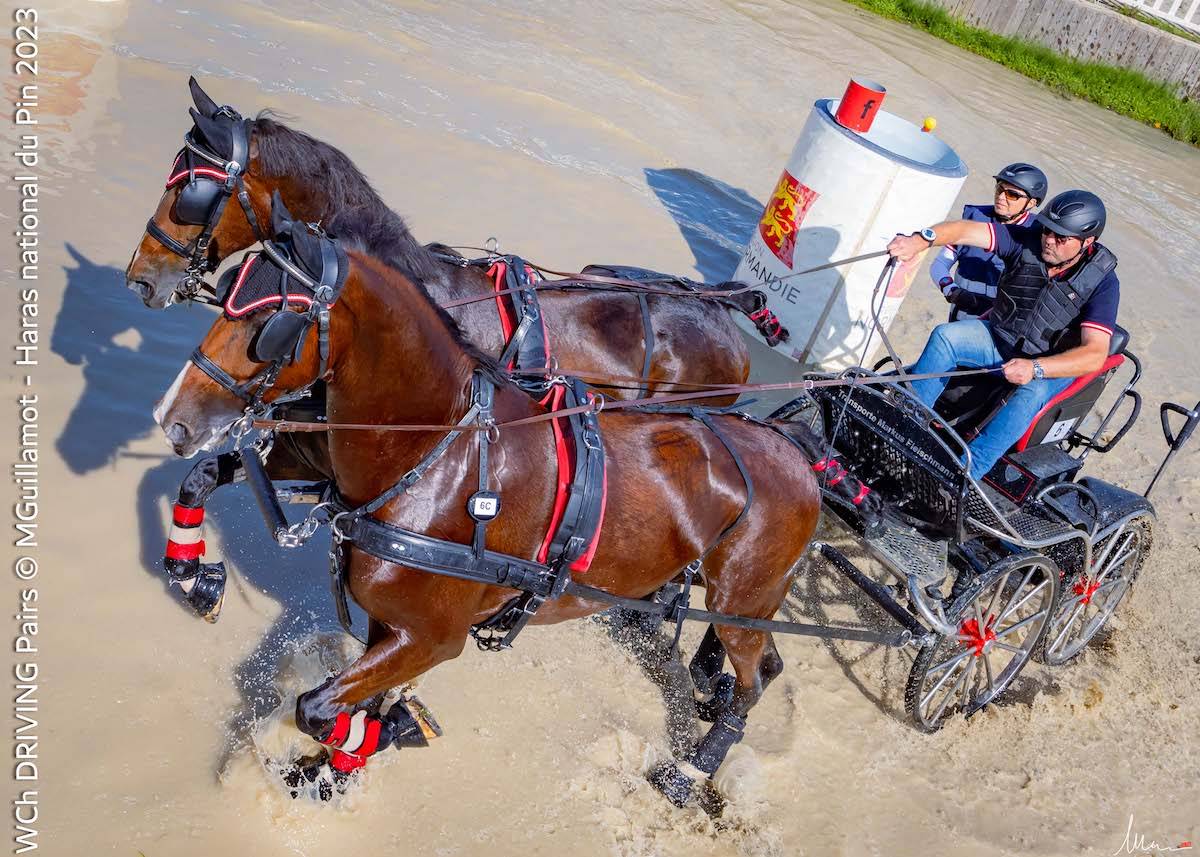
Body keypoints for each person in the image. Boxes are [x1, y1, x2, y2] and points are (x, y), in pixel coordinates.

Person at [888, 190, 1119, 481]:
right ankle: (904, 425)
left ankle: (964, 475)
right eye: (1048, 230)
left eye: (1061, 238)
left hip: (1050, 364)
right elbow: (964, 230)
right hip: (1001, 338)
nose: (1049, 240)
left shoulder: (1103, 282)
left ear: (1087, 242)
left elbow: (1095, 354)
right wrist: (920, 240)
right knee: (945, 336)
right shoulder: (1025, 239)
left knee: (1032, 393)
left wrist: (1035, 368)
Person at [929, 163, 1047, 321]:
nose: (1001, 197)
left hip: (1000, 323)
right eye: (999, 189)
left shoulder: (1039, 236)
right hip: (961, 313)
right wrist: (951, 290)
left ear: (1031, 203)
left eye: (1012, 194)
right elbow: (940, 264)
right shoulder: (973, 219)